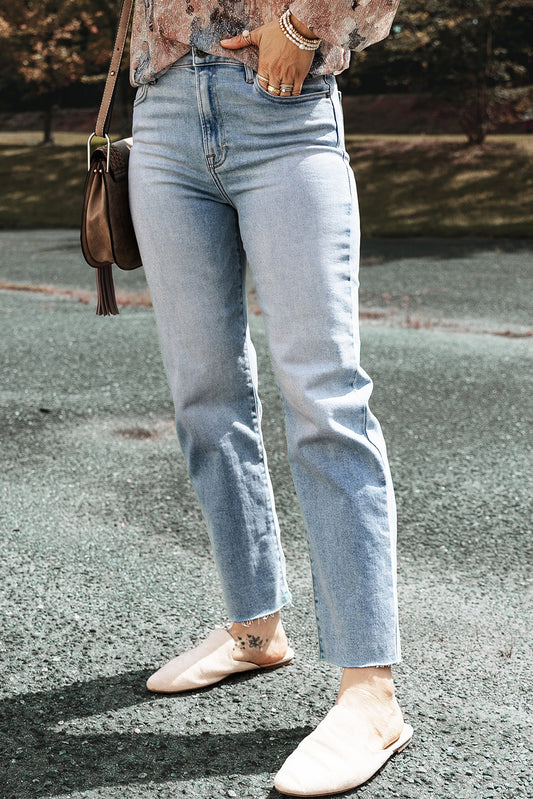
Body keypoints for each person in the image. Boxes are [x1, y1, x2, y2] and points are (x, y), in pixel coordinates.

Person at [128, 2, 413, 795]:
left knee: (325, 398)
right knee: (204, 395)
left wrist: (303, 24)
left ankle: (370, 693)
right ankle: (254, 628)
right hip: (161, 114)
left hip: (282, 110)